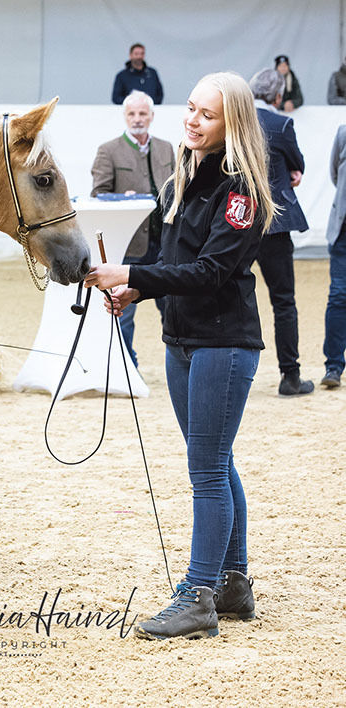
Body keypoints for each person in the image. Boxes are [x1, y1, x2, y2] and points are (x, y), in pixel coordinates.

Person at [86, 72, 277, 640]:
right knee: (214, 460)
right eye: (190, 109)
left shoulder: (239, 188)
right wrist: (138, 290)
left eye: (206, 114)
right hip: (182, 341)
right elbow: (174, 258)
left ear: (232, 123)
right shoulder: (182, 175)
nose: (192, 120)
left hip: (224, 342)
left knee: (207, 470)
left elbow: (212, 271)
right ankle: (233, 584)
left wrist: (132, 273)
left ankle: (198, 594)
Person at [90, 90, 175, 367]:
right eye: (131, 114)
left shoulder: (166, 148)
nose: (137, 119)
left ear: (151, 116)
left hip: (164, 243)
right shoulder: (108, 150)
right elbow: (98, 195)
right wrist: (120, 199)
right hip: (129, 245)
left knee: (173, 306)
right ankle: (126, 366)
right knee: (123, 310)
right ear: (124, 116)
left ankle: (179, 361)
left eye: (142, 113)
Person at [249, 69, 313, 396]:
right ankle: (290, 375)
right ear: (277, 97)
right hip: (274, 225)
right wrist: (291, 172)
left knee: (225, 294)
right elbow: (296, 162)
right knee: (283, 302)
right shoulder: (282, 124)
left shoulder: (237, 123)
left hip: (238, 223)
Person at [321, 124, 346, 389]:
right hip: (343, 232)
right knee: (339, 296)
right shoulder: (343, 133)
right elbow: (336, 176)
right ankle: (334, 366)